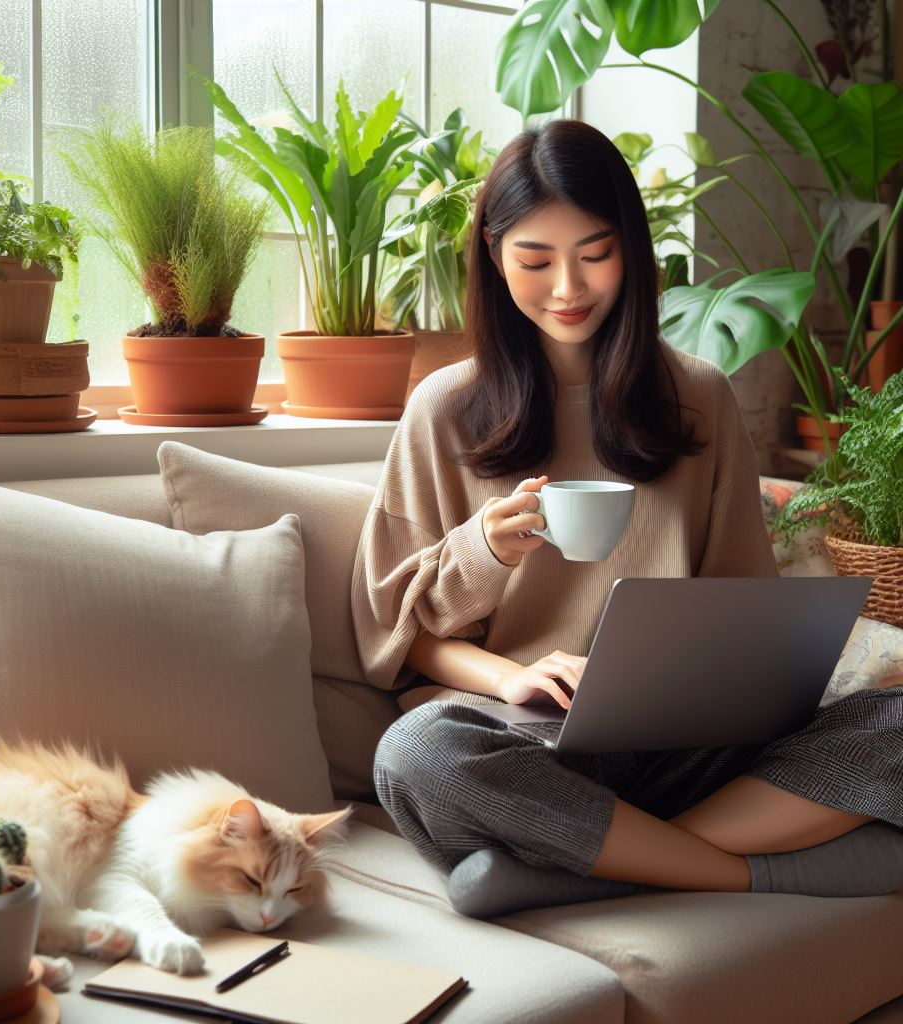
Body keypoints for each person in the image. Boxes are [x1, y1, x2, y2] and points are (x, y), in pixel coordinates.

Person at [349, 118, 903, 919]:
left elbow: (745, 605)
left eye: (595, 254)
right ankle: (733, 870)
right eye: (535, 260)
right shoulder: (445, 409)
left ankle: (583, 862)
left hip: (687, 739)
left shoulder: (700, 396)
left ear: (633, 252)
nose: (568, 288)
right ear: (495, 257)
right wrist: (493, 587)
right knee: (416, 756)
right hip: (531, 741)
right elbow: (388, 632)